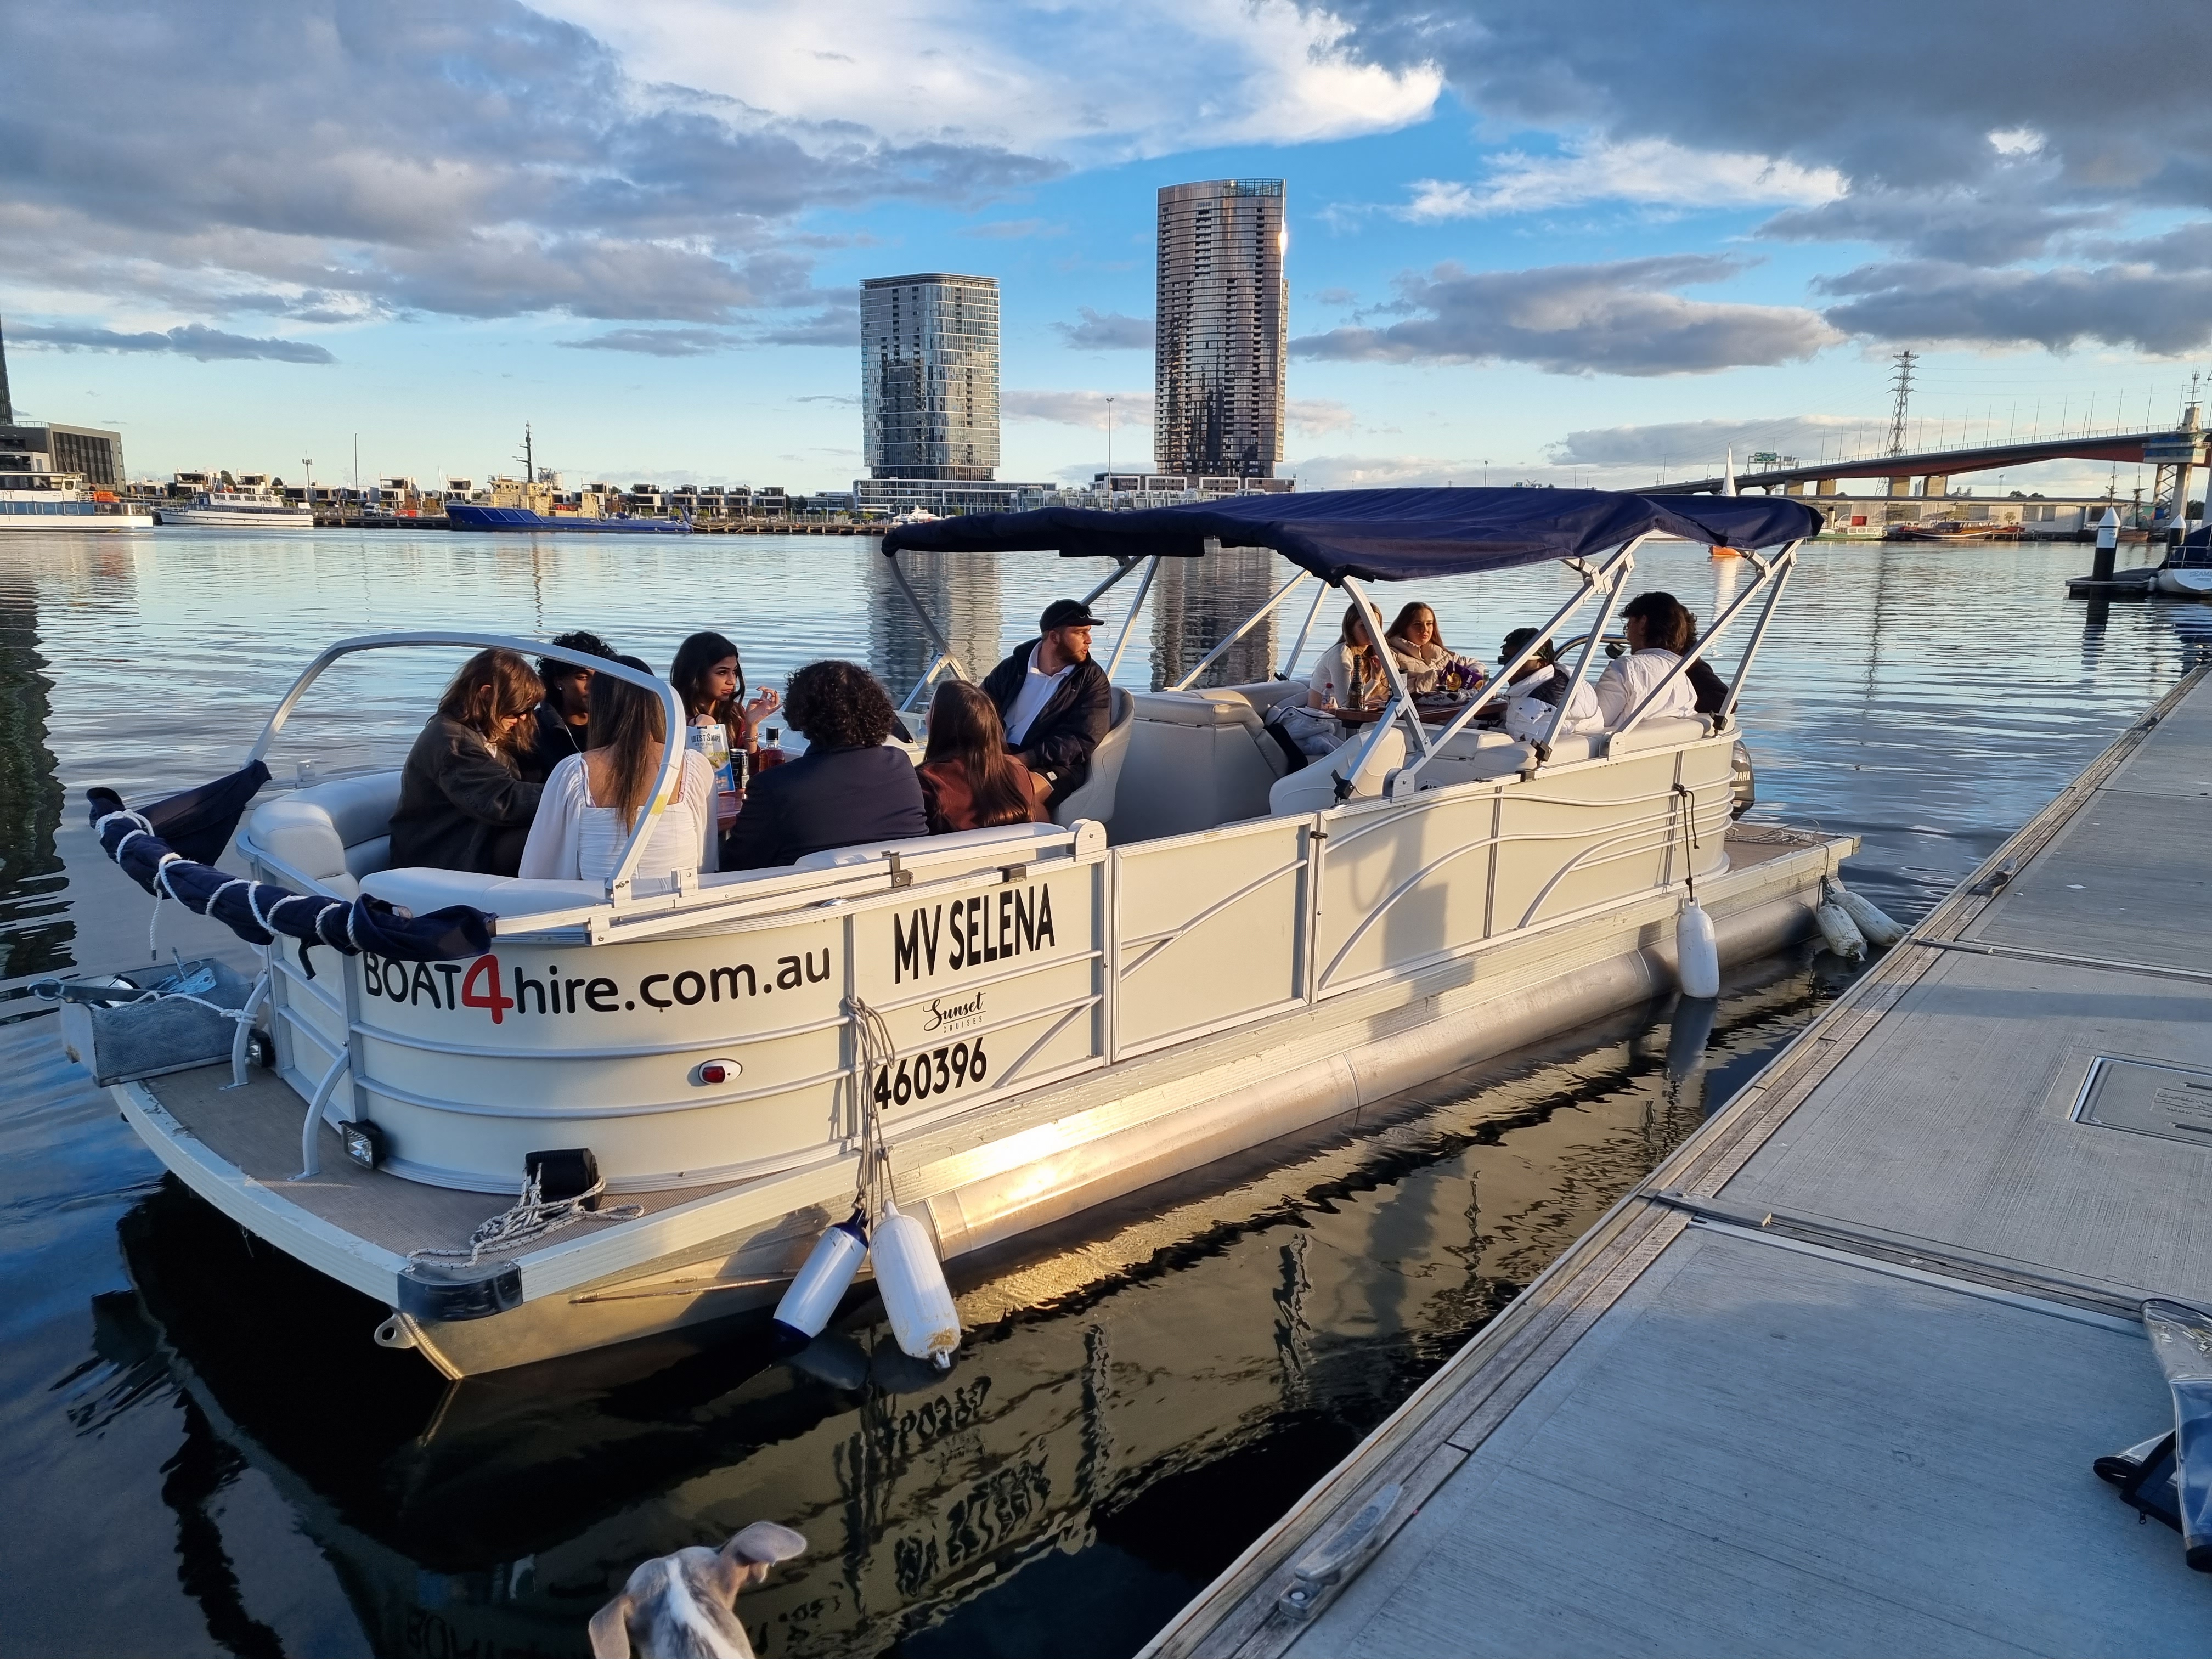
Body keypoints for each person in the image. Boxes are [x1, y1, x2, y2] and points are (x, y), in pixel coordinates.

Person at [519, 656, 714, 889]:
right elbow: (706, 857)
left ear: (601, 706)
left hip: (601, 916)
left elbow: (539, 872)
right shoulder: (693, 766)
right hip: (680, 915)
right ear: (655, 702)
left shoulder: (574, 772)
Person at [723, 660, 928, 868]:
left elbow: (734, 864)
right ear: (875, 710)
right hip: (901, 891)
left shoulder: (774, 787)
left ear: (801, 713)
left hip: (808, 897)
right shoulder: (900, 764)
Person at [388, 648, 545, 876]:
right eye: (519, 708)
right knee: (549, 836)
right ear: (486, 694)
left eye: (530, 710)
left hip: (472, 846)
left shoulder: (481, 735)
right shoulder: (452, 743)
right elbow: (500, 800)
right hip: (439, 860)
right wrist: (568, 795)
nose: (523, 717)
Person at [980, 599, 1111, 810]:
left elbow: (1082, 739)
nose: (1089, 640)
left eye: (1088, 632)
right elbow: (980, 709)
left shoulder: (1092, 680)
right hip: (999, 753)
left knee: (1019, 792)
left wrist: (1026, 758)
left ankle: (1040, 843)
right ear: (1054, 637)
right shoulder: (1013, 667)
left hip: (1057, 765)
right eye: (1081, 633)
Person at [917, 680, 1049, 834]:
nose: (926, 717)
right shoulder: (1018, 774)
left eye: (930, 709)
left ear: (942, 723)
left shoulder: (925, 784)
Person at [1594, 591, 1701, 730]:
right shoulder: (1684, 680)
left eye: (1629, 625)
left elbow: (1594, 723)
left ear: (1643, 624)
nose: (1628, 637)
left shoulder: (1625, 669)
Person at [522, 630, 619, 781]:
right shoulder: (532, 731)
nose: (594, 685)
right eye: (582, 677)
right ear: (559, 681)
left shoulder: (617, 727)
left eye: (601, 677)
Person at [671, 630, 781, 761]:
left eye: (734, 672)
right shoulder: (672, 715)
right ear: (696, 674)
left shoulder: (734, 712)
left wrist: (752, 725)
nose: (732, 681)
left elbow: (748, 770)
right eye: (722, 672)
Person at [1494, 628, 1604, 743]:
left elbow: (1529, 751)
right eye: (1505, 660)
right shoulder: (1558, 680)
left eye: (1518, 661)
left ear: (1542, 663)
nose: (1508, 666)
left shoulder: (1541, 704)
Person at [1385, 602, 1486, 695]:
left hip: (1446, 708)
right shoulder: (1391, 655)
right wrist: (1437, 677)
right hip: (1415, 711)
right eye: (1417, 624)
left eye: (1429, 624)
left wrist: (1471, 675)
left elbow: (1477, 664)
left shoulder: (1440, 653)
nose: (1425, 629)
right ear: (1404, 627)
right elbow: (1392, 690)